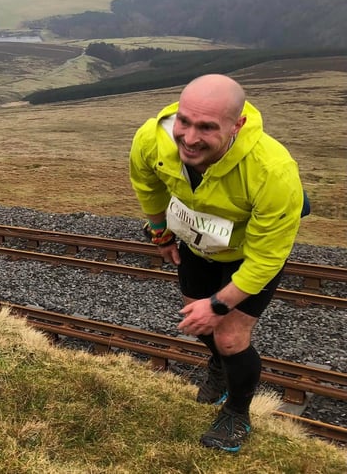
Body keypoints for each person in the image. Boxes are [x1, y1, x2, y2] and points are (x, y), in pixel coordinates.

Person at [129, 74, 304, 453]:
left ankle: (237, 414)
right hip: (197, 242)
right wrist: (160, 234)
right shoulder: (151, 137)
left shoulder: (273, 172)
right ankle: (220, 368)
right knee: (198, 315)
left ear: (236, 125)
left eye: (207, 127)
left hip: (248, 256)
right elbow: (147, 184)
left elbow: (265, 259)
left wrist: (220, 304)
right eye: (185, 121)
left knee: (228, 335)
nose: (190, 138)